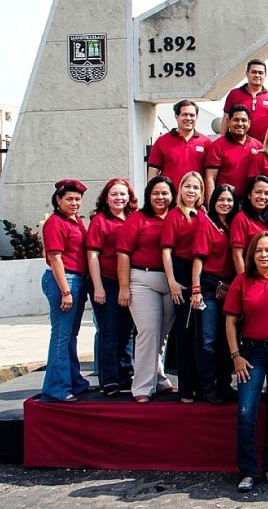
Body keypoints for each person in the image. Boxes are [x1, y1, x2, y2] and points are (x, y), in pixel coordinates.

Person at [224, 231, 268, 492]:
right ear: (252, 254)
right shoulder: (241, 281)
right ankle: (248, 471)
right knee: (246, 412)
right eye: (259, 250)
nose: (264, 255)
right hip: (251, 355)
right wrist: (236, 356)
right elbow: (230, 322)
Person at [117, 176, 176, 403]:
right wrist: (124, 287)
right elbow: (123, 254)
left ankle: (158, 378)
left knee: (162, 334)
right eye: (155, 193)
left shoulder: (176, 217)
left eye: (165, 193)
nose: (160, 197)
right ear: (148, 196)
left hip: (171, 283)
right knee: (148, 332)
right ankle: (142, 386)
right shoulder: (137, 219)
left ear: (172, 195)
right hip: (143, 279)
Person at [39, 179, 91, 403]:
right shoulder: (55, 222)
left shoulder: (76, 220)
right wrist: (65, 291)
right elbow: (55, 258)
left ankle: (74, 381)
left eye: (78, 199)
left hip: (76, 279)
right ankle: (57, 388)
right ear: (58, 200)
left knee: (70, 335)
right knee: (61, 336)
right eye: (69, 199)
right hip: (63, 280)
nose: (74, 203)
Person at [86, 178, 138, 396]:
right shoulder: (100, 220)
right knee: (109, 331)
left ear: (129, 197)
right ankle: (109, 380)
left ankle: (126, 374)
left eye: (123, 194)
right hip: (106, 281)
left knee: (127, 331)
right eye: (114, 194)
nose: (119, 198)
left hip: (129, 281)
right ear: (106, 198)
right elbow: (92, 255)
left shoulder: (134, 218)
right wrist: (98, 287)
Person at [191, 183, 239, 404]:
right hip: (209, 287)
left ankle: (224, 385)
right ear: (213, 201)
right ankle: (206, 388)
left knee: (225, 340)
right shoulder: (206, 223)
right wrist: (196, 289)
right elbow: (198, 259)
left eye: (229, 200)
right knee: (207, 340)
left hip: (230, 287)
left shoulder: (235, 224)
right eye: (221, 199)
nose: (225, 203)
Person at [160, 171, 205, 403]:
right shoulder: (174, 216)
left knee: (199, 333)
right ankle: (186, 388)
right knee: (185, 332)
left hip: (200, 273)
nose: (191, 191)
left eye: (196, 187)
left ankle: (201, 384)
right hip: (180, 272)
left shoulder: (202, 215)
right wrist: (172, 282)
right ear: (180, 189)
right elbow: (166, 251)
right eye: (188, 186)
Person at [147, 99, 211, 188]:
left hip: (195, 195)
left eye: (192, 115)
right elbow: (153, 173)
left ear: (196, 117)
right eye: (184, 114)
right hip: (170, 195)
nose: (188, 118)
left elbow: (210, 176)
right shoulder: (162, 141)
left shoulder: (206, 143)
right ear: (176, 116)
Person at [205, 105, 262, 200]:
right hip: (226, 201)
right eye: (236, 120)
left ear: (249, 123)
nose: (240, 123)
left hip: (251, 201)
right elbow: (210, 178)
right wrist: (211, 204)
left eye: (244, 120)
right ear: (228, 122)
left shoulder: (258, 146)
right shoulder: (217, 146)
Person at [222, 58, 268, 143]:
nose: (257, 75)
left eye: (260, 73)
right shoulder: (234, 94)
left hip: (266, 146)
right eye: (254, 72)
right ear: (247, 74)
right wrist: (222, 140)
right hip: (238, 145)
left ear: (265, 75)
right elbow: (226, 118)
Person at [230, 176, 268, 275]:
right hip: (249, 274)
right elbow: (237, 256)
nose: (262, 197)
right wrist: (243, 281)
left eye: (267, 193)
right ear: (249, 195)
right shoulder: (241, 219)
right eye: (258, 192)